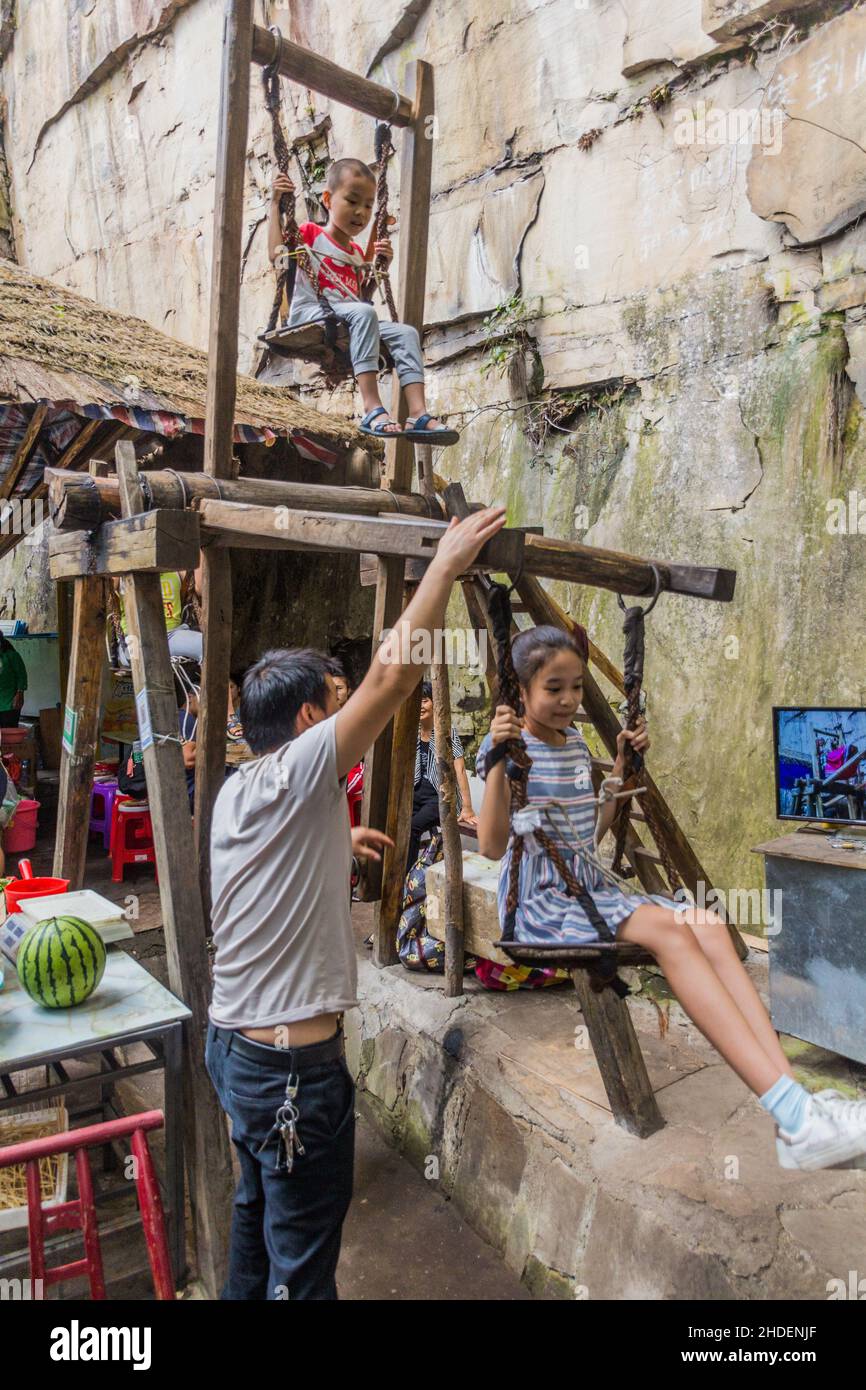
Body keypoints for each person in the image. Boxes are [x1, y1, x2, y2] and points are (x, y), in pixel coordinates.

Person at [205, 505, 506, 1300]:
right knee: (303, 1267)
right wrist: (442, 565)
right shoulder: (302, 768)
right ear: (307, 723)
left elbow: (267, 891)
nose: (349, 712)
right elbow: (392, 677)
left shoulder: (245, 790)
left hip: (235, 1048)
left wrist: (339, 851)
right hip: (291, 1072)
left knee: (254, 1220)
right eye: (334, 702)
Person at [476, 623, 866, 1174]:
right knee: (671, 932)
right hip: (540, 905)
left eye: (577, 688)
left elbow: (588, 836)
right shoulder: (510, 752)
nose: (568, 700)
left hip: (587, 889)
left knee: (705, 924)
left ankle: (795, 1112)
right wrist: (496, 755)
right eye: (554, 688)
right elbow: (493, 845)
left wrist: (619, 769)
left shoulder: (574, 745)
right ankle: (798, 1115)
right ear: (520, 693)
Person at [269, 163, 458, 444]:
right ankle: (372, 408)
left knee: (406, 333)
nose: (361, 212)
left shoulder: (357, 252)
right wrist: (274, 204)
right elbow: (276, 254)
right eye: (352, 201)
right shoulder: (310, 233)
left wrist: (380, 268)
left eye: (369, 206)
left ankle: (417, 412)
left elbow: (360, 300)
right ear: (328, 199)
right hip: (311, 313)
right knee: (364, 313)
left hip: (348, 315)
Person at [406, 680, 477, 871]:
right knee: (400, 826)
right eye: (417, 701)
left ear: (435, 703)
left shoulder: (446, 730)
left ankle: (409, 878)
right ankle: (401, 874)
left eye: (425, 700)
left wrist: (468, 807)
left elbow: (460, 769)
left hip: (440, 796)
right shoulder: (413, 731)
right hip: (416, 792)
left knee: (412, 828)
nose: (420, 706)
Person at [113, 569, 203, 667]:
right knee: (135, 659)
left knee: (206, 646)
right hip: (134, 637)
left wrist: (203, 553)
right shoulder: (121, 567)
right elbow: (106, 587)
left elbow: (201, 589)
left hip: (171, 636)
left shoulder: (175, 566)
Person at [0, 635, 27, 728]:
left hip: (9, 702)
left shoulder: (11, 656)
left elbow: (21, 675)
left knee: (8, 731)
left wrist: (20, 693)